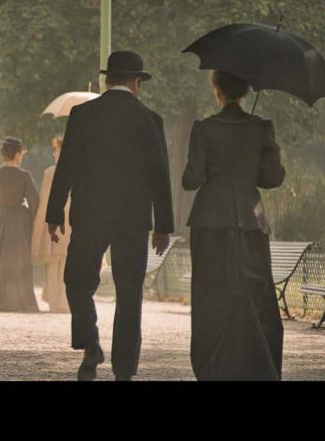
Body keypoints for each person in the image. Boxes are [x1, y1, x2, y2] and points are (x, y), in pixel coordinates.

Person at [46, 50, 174, 381]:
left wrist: (54, 212)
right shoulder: (150, 119)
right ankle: (124, 370)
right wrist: (163, 226)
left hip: (90, 215)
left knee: (77, 282)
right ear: (136, 82)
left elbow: (67, 166)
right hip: (133, 219)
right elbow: (160, 176)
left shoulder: (83, 114)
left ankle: (90, 343)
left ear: (107, 81)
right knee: (129, 294)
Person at [183, 70, 286, 381]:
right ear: (246, 89)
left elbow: (192, 179)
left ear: (217, 89)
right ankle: (257, 365)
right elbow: (273, 178)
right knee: (256, 295)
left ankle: (214, 368)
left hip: (210, 220)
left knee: (211, 295)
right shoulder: (262, 127)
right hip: (251, 221)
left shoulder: (204, 128)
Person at [0, 136, 40, 312]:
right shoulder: (24, 176)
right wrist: (31, 220)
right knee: (18, 259)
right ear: (17, 154)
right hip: (18, 220)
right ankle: (18, 300)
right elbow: (35, 203)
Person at [31, 136, 72, 313]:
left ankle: (56, 300)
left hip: (58, 215)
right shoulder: (79, 169)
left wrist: (41, 223)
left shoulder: (50, 172)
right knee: (67, 258)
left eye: (56, 149)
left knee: (55, 259)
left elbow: (45, 201)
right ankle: (65, 300)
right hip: (72, 216)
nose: (54, 153)